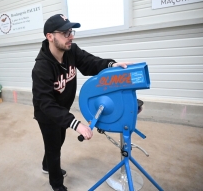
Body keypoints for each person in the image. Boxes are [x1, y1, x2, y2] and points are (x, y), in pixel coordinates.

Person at [31, 14, 131, 191]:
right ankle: (57, 184)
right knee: (54, 148)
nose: (71, 36)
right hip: (47, 114)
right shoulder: (41, 68)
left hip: (62, 108)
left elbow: (90, 63)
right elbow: (45, 103)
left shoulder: (72, 50)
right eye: (65, 33)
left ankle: (46, 165)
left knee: (58, 140)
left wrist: (111, 66)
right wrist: (75, 124)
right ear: (50, 37)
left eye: (71, 31)